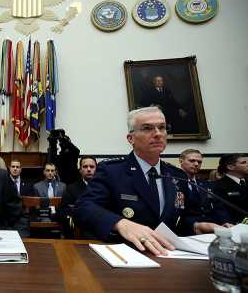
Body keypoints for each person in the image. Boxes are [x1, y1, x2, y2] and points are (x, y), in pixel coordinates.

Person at [74, 107, 217, 256]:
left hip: (169, 255)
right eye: (147, 128)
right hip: (126, 254)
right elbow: (84, 208)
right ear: (131, 138)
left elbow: (185, 215)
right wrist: (120, 223)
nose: (158, 134)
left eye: (162, 128)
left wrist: (196, 225)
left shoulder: (176, 175)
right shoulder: (111, 171)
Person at [179, 149, 232, 228]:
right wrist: (195, 225)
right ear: (181, 161)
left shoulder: (207, 184)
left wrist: (225, 222)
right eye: (192, 161)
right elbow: (176, 212)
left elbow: (219, 207)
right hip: (187, 229)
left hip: (212, 227)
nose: (196, 164)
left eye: (199, 162)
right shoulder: (173, 183)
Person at [58, 156, 97, 237]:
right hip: (79, 230)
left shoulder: (104, 188)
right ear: (80, 170)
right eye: (85, 167)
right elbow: (63, 211)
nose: (89, 169)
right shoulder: (71, 189)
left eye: (92, 167)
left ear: (96, 169)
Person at [215, 154, 248, 223]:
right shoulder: (218, 186)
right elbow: (222, 211)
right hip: (237, 226)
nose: (247, 164)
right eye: (243, 163)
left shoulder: (245, 182)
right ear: (230, 167)